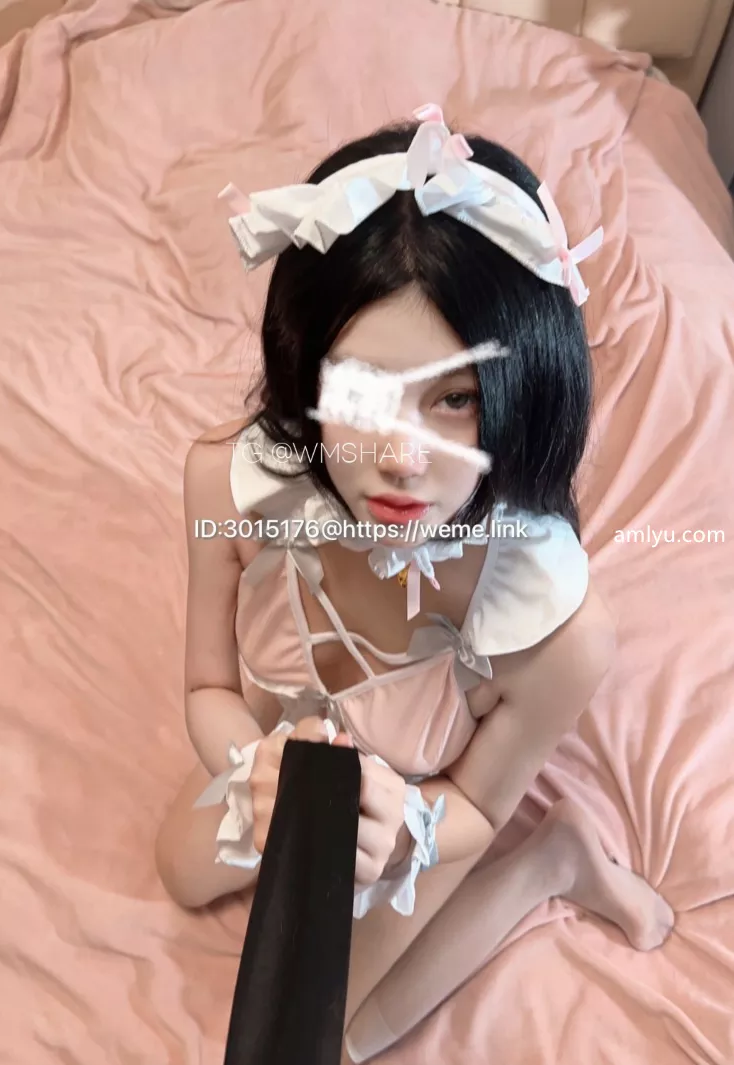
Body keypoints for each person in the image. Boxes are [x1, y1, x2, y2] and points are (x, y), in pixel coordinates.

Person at [155, 105, 674, 1063]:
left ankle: (555, 860)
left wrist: (406, 832)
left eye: (456, 397)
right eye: (362, 392)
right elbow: (206, 685)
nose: (402, 457)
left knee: (338, 1039)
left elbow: (478, 804)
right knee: (180, 870)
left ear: (523, 389)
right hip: (287, 758)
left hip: (423, 804)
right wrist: (255, 768)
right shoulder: (231, 488)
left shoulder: (557, 628)